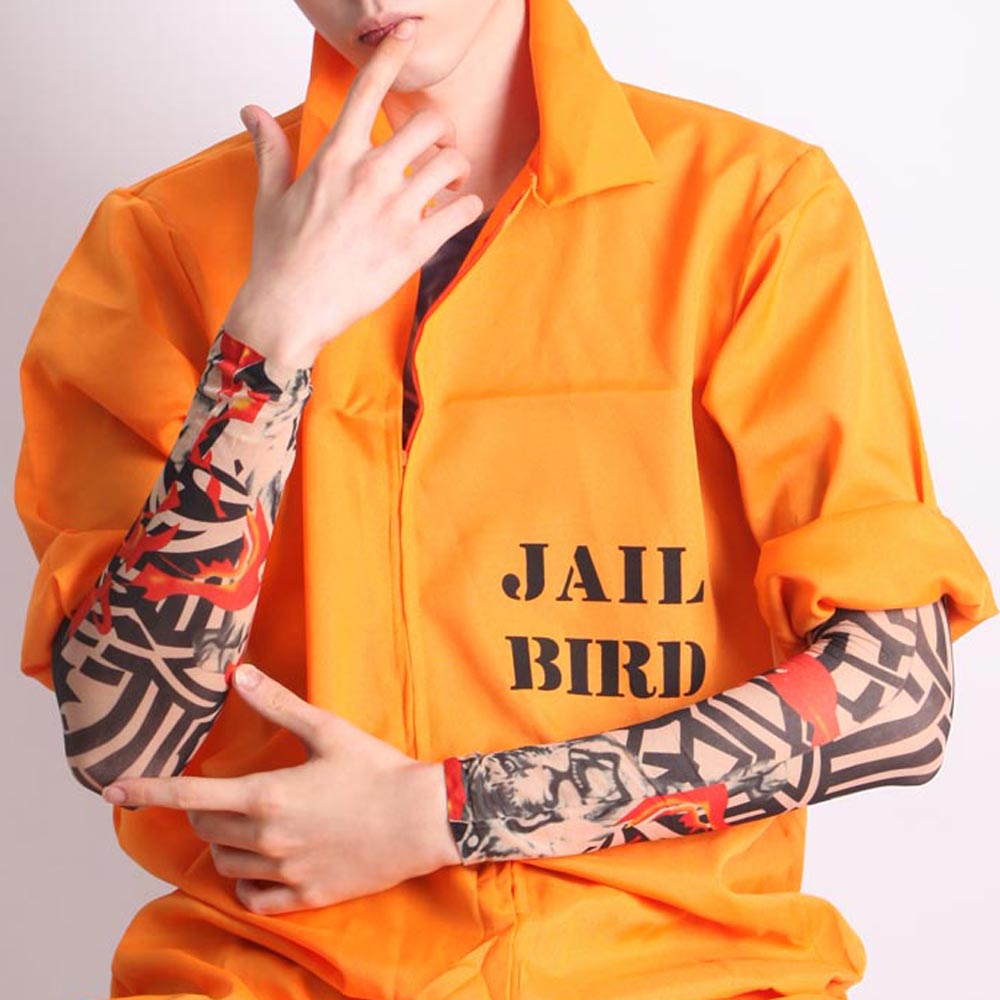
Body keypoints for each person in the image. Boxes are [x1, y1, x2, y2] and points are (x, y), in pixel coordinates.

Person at [14, 0, 997, 997]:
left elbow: (896, 695)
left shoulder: (753, 208)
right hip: (275, 971)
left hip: (677, 972)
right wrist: (268, 339)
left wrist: (435, 815)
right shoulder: (165, 239)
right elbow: (120, 740)